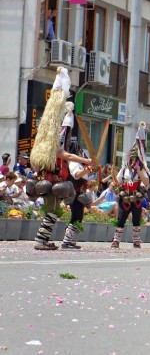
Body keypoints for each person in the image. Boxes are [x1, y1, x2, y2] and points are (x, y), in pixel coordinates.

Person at [28, 67, 95, 250]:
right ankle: (41, 241)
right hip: (51, 184)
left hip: (48, 183)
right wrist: (87, 162)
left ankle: (43, 240)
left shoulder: (40, 149)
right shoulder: (51, 148)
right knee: (53, 212)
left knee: (53, 211)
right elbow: (67, 155)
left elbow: (35, 165)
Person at [61, 138, 95, 249]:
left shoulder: (78, 163)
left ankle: (68, 240)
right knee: (76, 215)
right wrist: (86, 170)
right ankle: (66, 241)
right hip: (74, 192)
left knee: (78, 216)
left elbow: (83, 176)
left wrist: (88, 170)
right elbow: (76, 175)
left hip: (79, 192)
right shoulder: (73, 162)